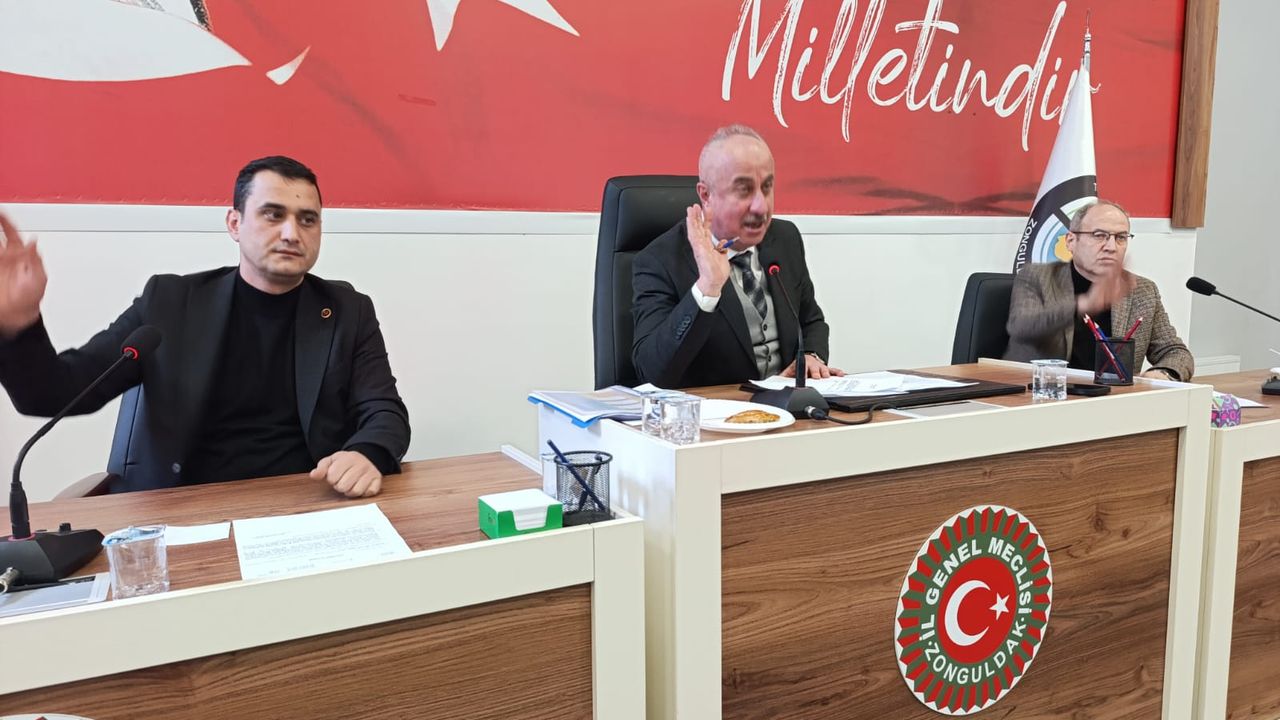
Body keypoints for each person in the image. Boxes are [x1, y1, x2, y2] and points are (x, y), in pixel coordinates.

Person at [0, 156, 410, 496]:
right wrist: (19, 323)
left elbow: (385, 411)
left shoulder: (347, 309)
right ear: (234, 223)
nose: (291, 233)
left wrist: (367, 452)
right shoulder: (170, 302)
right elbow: (55, 393)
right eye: (273, 214)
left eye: (307, 220)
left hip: (303, 502)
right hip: (185, 511)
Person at [631, 125, 842, 389]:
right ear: (706, 195)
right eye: (744, 190)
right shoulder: (660, 260)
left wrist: (811, 356)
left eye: (767, 187)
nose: (761, 206)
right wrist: (707, 288)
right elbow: (652, 374)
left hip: (788, 405)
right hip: (719, 409)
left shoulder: (785, 239)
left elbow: (811, 321)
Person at [1004, 199, 1194, 381]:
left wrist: (1163, 373)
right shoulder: (1038, 277)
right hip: (1046, 391)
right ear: (1071, 241)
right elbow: (1022, 327)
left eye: (1120, 237)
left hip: (1114, 396)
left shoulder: (1142, 290)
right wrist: (1082, 305)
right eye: (1099, 235)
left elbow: (1175, 351)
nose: (1111, 247)